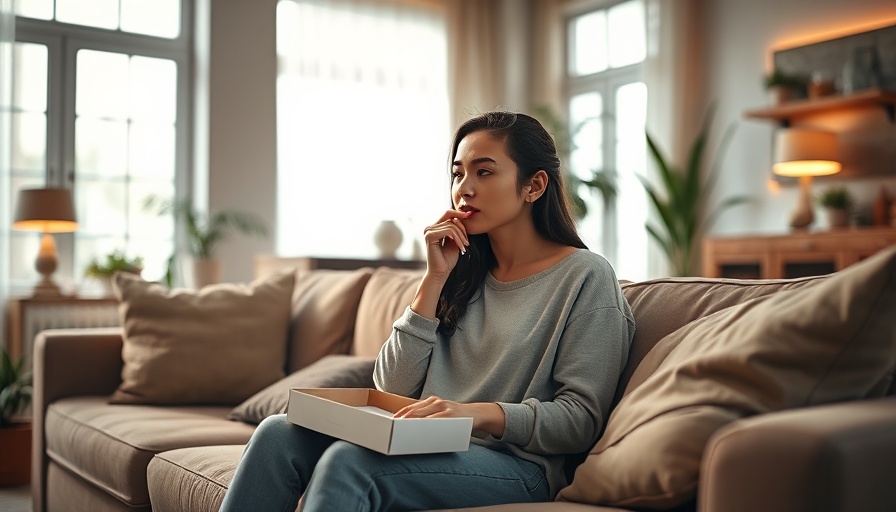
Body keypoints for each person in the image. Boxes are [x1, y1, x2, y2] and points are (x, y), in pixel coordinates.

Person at [219, 111, 635, 512]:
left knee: (350, 462)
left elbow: (581, 419)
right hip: (424, 444)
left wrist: (474, 415)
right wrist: (434, 279)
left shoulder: (585, 276)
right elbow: (392, 385)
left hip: (517, 467)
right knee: (277, 433)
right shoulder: (459, 271)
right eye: (458, 173)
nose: (463, 189)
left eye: (484, 172)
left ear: (534, 185)